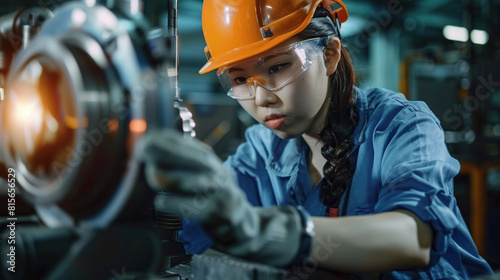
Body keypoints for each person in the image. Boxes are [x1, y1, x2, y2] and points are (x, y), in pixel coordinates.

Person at [135, 0, 494, 278]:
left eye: (276, 67)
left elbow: (414, 238)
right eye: (240, 79)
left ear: (330, 55)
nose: (261, 99)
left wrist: (272, 233)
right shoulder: (261, 152)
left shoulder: (400, 126)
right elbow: (196, 226)